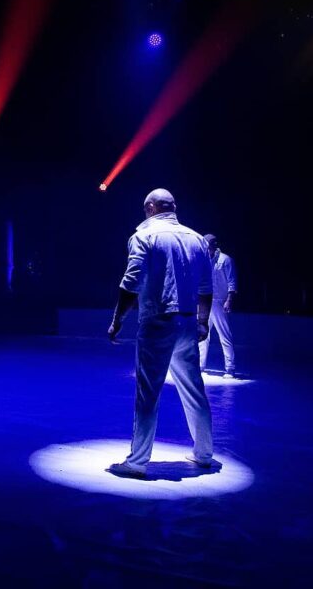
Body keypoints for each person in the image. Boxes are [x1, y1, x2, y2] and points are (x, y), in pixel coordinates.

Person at [106, 189, 214, 479]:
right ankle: (204, 453)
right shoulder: (196, 239)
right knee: (194, 390)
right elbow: (206, 288)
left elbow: (131, 283)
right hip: (188, 322)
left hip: (157, 320)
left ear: (151, 208)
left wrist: (117, 320)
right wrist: (203, 322)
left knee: (148, 394)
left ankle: (137, 461)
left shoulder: (144, 236)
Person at [199, 234, 238, 378]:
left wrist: (229, 299)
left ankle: (230, 368)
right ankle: (200, 366)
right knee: (203, 334)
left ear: (214, 245)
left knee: (224, 335)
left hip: (219, 302)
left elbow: (232, 281)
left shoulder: (226, 260)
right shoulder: (203, 259)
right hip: (205, 301)